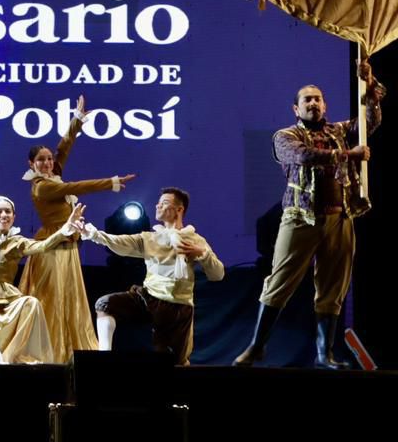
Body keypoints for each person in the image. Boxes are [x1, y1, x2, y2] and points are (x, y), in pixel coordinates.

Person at [234, 62, 384, 368]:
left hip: (339, 217)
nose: (313, 103)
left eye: (318, 98)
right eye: (307, 99)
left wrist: (369, 87)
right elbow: (304, 157)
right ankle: (257, 346)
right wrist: (347, 155)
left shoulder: (338, 131)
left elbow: (371, 123)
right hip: (300, 217)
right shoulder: (285, 136)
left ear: (325, 105)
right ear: (296, 108)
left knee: (333, 286)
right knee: (280, 282)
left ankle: (323, 354)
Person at [17, 95, 136, 362]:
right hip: (52, 245)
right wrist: (112, 182)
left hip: (67, 244)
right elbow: (75, 187)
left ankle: (66, 345)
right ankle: (47, 349)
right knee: (51, 297)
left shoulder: (51, 173)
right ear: (31, 164)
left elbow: (64, 148)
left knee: (67, 297)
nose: (48, 163)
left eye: (48, 159)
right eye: (42, 160)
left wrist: (77, 119)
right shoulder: (43, 185)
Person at [86, 188, 223, 365]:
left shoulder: (195, 240)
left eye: (164, 202)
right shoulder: (150, 238)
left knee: (174, 361)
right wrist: (93, 234)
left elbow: (217, 274)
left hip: (176, 308)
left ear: (179, 209)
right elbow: (120, 243)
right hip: (149, 297)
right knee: (105, 304)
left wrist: (202, 254)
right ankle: (104, 357)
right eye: (158, 202)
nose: (158, 205)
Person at [0, 197, 82, 364]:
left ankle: (10, 357)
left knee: (31, 304)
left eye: (7, 211)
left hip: (4, 298)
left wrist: (64, 229)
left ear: (14, 217)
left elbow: (42, 246)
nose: (3, 215)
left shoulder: (17, 242)